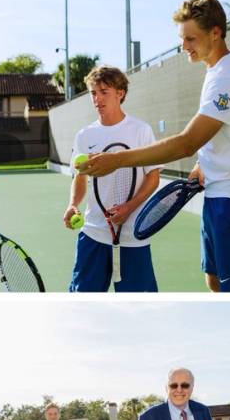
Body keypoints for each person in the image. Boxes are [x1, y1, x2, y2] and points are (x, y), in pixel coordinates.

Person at [79, 0, 230, 293]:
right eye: (182, 39)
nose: (184, 47)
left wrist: (117, 160)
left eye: (191, 38)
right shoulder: (215, 72)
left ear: (216, 32)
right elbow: (219, 131)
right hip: (219, 191)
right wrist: (203, 163)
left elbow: (186, 142)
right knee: (215, 278)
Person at [64, 65, 162, 292]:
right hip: (93, 233)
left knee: (139, 308)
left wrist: (129, 207)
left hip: (133, 235)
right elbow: (80, 178)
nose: (97, 99)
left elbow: (153, 177)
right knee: (83, 305)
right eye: (93, 93)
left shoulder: (141, 130)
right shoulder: (84, 135)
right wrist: (72, 205)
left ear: (121, 93)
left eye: (103, 92)